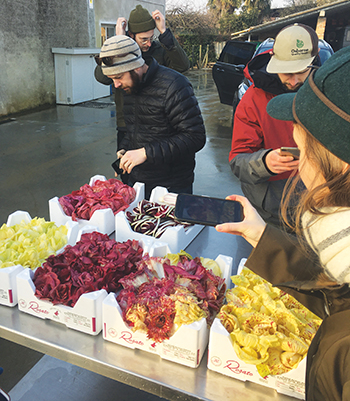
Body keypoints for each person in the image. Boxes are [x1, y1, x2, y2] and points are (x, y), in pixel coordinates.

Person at [217, 45, 350, 400]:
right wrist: (262, 235)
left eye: (302, 149)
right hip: (273, 217)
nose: (299, 166)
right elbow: (336, 290)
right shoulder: (341, 258)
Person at [229, 23, 321, 227]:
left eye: (302, 71)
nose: (294, 80)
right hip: (270, 211)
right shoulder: (253, 98)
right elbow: (237, 161)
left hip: (320, 205)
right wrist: (264, 163)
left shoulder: (326, 92)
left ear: (314, 62)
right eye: (286, 72)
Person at [96, 35, 205, 198]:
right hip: (138, 182)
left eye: (118, 77)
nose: (116, 85)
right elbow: (135, 128)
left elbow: (195, 137)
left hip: (172, 186)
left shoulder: (174, 85)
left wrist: (146, 152)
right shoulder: (129, 86)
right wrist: (125, 148)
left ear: (136, 67)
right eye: (112, 79)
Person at [95, 5, 190, 154]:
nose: (149, 43)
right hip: (127, 123)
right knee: (127, 170)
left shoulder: (158, 50)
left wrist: (164, 33)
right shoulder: (121, 53)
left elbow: (183, 66)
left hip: (156, 122)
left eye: (152, 38)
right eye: (144, 39)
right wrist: (117, 41)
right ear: (131, 35)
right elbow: (102, 78)